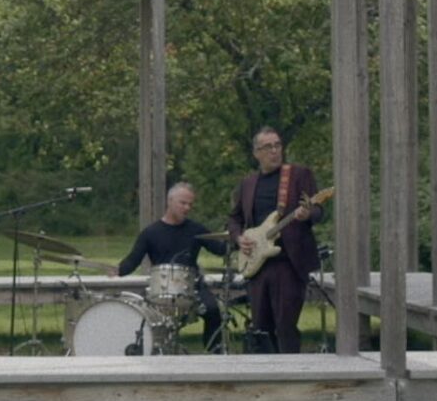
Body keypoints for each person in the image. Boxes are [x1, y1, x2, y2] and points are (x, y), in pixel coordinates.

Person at [227, 124, 321, 354]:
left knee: (286, 326)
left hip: (288, 263)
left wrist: (308, 214)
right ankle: (264, 371)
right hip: (257, 264)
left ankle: (292, 371)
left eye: (277, 145)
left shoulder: (299, 175)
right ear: (256, 153)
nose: (274, 151)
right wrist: (239, 238)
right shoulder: (248, 183)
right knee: (261, 329)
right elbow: (234, 218)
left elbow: (318, 210)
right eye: (268, 147)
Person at [118, 181, 228, 351]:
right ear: (170, 201)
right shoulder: (151, 232)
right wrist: (117, 271)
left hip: (193, 287)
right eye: (183, 203)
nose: (187, 208)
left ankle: (215, 353)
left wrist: (235, 239)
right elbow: (133, 261)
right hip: (161, 289)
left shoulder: (196, 229)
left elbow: (219, 249)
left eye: (190, 204)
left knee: (213, 311)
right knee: (148, 318)